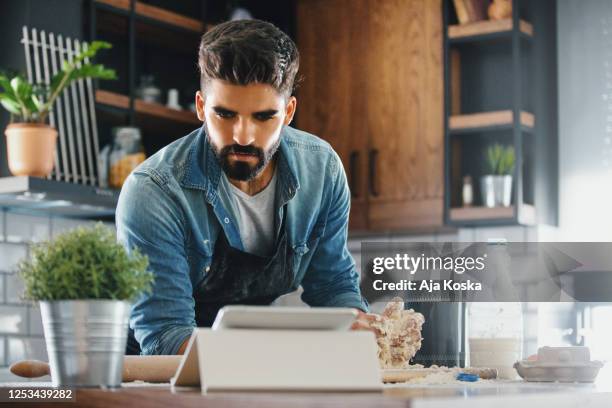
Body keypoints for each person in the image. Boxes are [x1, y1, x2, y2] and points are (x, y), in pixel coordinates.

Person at [116, 19, 377, 355]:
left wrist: (355, 327)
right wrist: (286, 354)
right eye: (224, 114)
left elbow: (332, 284)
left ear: (289, 112)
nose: (243, 136)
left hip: (246, 365)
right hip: (157, 380)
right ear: (200, 107)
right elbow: (166, 337)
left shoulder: (322, 171)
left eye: (263, 116)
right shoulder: (154, 192)